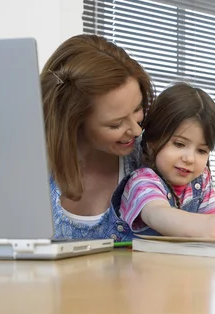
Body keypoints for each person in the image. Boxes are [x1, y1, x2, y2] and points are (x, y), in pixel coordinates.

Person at [40, 34, 154, 241]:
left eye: (138, 109)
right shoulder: (31, 173)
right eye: (116, 124)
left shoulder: (153, 158)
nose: (137, 131)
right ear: (72, 123)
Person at [113, 82, 215, 240]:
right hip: (139, 264)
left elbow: (214, 219)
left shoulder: (201, 181)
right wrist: (204, 226)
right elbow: (157, 214)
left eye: (202, 150)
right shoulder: (142, 181)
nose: (189, 158)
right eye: (179, 144)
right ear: (152, 143)